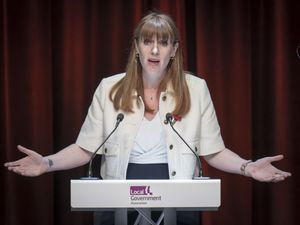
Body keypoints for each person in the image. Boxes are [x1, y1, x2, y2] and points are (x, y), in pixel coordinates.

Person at [4, 12, 291, 224]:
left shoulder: (196, 88)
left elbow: (212, 151)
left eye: (163, 42)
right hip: (116, 200)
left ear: (174, 50)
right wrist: (46, 162)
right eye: (148, 41)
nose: (155, 49)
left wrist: (248, 167)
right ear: (137, 48)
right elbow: (85, 148)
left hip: (179, 201)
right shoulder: (109, 88)